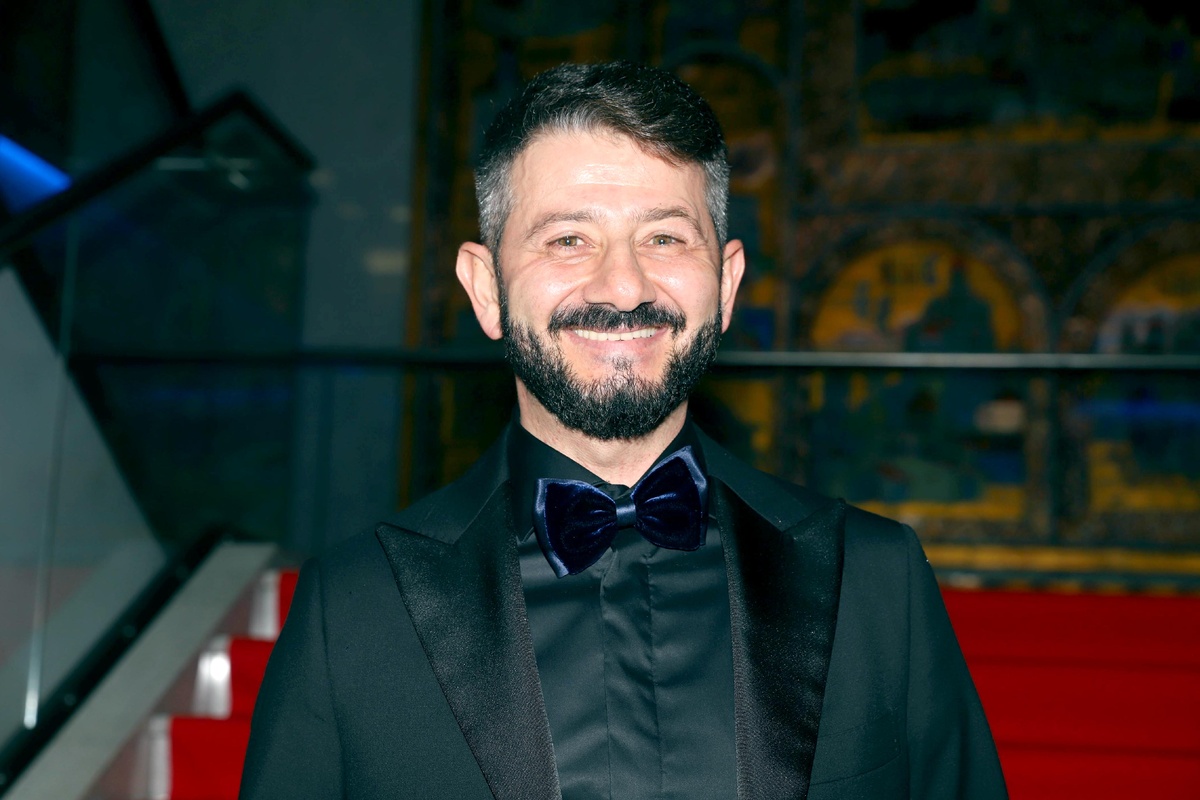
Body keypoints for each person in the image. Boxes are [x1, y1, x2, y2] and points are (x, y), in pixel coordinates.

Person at [241, 61, 1007, 800]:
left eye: (665, 238)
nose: (623, 286)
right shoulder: (354, 609)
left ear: (727, 283)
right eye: (568, 239)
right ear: (485, 289)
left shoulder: (876, 578)